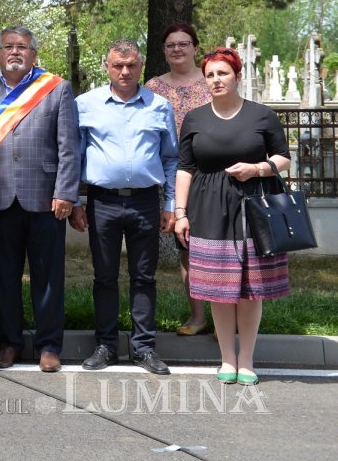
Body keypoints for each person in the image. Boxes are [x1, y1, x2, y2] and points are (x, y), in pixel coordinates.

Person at [0, 26, 82, 372]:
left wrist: (65, 193)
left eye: (23, 47)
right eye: (9, 46)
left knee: (48, 276)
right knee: (3, 276)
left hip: (46, 200)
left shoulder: (56, 89)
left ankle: (49, 345)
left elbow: (68, 147)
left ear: (34, 54)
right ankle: (10, 341)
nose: (15, 52)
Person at [174, 47, 291, 386]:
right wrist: (181, 213)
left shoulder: (262, 115)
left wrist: (256, 169)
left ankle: (248, 359)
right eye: (210, 75)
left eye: (222, 73)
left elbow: (283, 158)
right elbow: (185, 168)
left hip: (255, 205)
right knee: (219, 287)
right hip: (208, 207)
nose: (216, 80)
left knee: (250, 288)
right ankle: (227, 359)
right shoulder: (194, 119)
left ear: (237, 76)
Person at [77, 40, 177, 376]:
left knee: (144, 277)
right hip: (102, 201)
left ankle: (144, 348)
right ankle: (105, 345)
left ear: (141, 65)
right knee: (104, 277)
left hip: (146, 201)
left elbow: (171, 158)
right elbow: (75, 156)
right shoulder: (86, 104)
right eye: (118, 65)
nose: (125, 71)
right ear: (107, 65)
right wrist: (76, 201)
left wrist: (171, 204)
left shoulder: (159, 106)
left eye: (131, 65)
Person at [146, 23, 213, 336]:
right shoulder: (154, 88)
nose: (177, 49)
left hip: (216, 174)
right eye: (170, 44)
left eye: (183, 44)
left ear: (195, 48)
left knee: (225, 247)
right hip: (176, 178)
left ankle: (230, 315)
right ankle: (197, 316)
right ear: (163, 50)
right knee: (187, 247)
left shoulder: (212, 80)